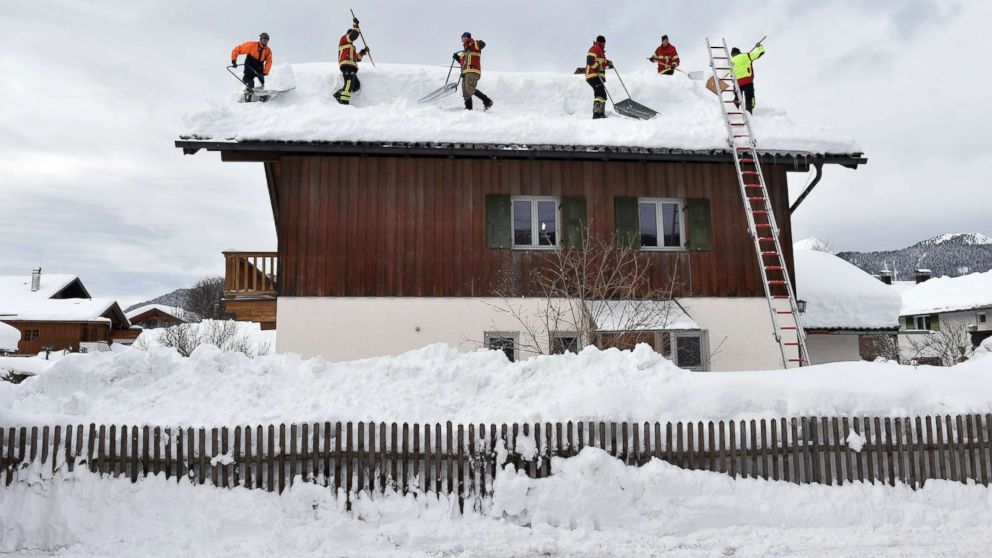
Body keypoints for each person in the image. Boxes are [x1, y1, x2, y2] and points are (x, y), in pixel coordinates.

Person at [334, 18, 369, 105]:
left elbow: (357, 59)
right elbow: (354, 35)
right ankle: (344, 101)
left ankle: (339, 94)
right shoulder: (344, 39)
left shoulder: (351, 48)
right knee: (349, 81)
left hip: (352, 66)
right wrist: (355, 26)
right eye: (351, 33)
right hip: (346, 64)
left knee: (356, 86)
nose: (352, 37)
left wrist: (363, 51)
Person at [454, 32, 493, 111]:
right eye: (462, 39)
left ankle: (487, 101)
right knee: (465, 92)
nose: (462, 40)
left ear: (467, 37)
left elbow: (482, 44)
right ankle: (468, 109)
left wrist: (471, 45)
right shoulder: (464, 51)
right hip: (465, 72)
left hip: (472, 70)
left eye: (463, 38)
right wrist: (457, 58)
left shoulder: (473, 43)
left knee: (470, 88)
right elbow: (463, 62)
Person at [230, 33, 273, 100]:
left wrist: (265, 72)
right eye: (263, 39)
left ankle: (262, 95)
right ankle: (247, 94)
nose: (265, 41)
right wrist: (234, 60)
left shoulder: (268, 50)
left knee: (262, 82)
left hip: (259, 68)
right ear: (260, 39)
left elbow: (269, 62)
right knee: (250, 82)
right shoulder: (252, 45)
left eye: (266, 40)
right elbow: (237, 49)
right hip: (249, 66)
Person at [731, 42, 766, 113]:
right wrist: (759, 46)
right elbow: (761, 52)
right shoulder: (746, 55)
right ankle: (749, 114)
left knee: (737, 98)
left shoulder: (730, 61)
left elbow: (730, 75)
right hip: (748, 81)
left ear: (732, 54)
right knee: (750, 99)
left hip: (737, 83)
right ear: (739, 52)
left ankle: (735, 112)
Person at [585, 35, 613, 119]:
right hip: (593, 75)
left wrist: (608, 63)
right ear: (602, 42)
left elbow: (602, 62)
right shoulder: (595, 48)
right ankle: (596, 113)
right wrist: (597, 67)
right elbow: (590, 60)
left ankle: (601, 113)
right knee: (599, 93)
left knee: (602, 94)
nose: (605, 45)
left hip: (597, 76)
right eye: (604, 43)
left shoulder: (600, 51)